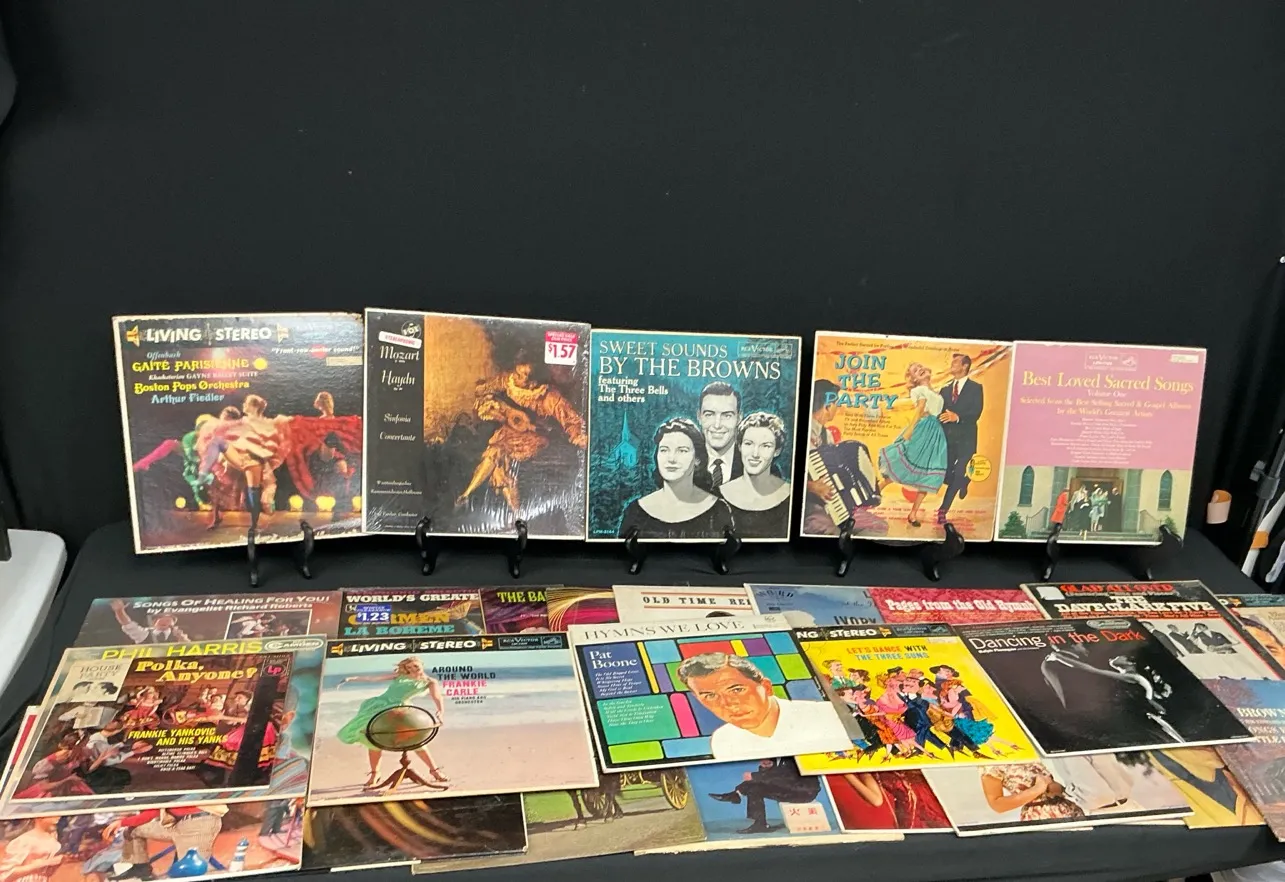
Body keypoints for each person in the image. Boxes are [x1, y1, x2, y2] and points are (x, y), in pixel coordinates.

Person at [455, 357, 587, 514]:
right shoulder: (509, 381)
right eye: (518, 373)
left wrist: (578, 436)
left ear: (535, 379)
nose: (518, 378)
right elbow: (485, 390)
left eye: (525, 376)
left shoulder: (549, 396)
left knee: (501, 459)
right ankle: (467, 495)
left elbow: (571, 420)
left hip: (535, 436)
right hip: (510, 431)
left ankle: (515, 514)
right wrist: (495, 405)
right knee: (495, 454)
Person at [674, 653, 846, 759]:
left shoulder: (827, 716)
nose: (728, 704)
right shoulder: (723, 740)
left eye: (736, 690)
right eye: (710, 696)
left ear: (766, 687)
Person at [336, 656, 448, 789]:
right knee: (371, 736)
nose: (413, 669)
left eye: (415, 666)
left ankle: (434, 771)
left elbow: (437, 697)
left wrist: (440, 711)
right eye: (409, 667)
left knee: (414, 739)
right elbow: (373, 679)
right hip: (378, 705)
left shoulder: (429, 682)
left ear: (422, 665)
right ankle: (375, 774)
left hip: (398, 709)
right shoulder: (399, 676)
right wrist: (352, 678)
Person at [617, 418, 735, 540]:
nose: (671, 459)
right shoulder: (635, 512)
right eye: (664, 450)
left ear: (697, 459)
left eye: (682, 450)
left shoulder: (718, 510)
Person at [877, 362, 948, 528]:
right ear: (914, 379)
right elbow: (920, 410)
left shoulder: (937, 391)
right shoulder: (918, 390)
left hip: (936, 435)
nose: (920, 369)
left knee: (928, 474)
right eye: (915, 371)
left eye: (920, 367)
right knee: (902, 466)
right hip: (923, 430)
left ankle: (913, 513)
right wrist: (909, 431)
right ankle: (874, 492)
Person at [717, 412, 792, 537]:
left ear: (777, 451)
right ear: (740, 446)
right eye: (748, 444)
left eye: (765, 446)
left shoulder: (791, 496)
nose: (755, 454)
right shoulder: (718, 496)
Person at [104, 805, 228, 879]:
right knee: (134, 830)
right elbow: (152, 811)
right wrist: (124, 823)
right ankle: (141, 867)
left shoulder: (179, 778)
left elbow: (151, 812)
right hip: (175, 824)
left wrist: (121, 822)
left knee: (190, 873)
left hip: (198, 823)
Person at [706, 758, 823, 834]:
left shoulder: (791, 759)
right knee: (755, 788)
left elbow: (786, 778)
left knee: (756, 784)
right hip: (790, 789)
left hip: (803, 793)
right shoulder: (775, 758)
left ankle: (735, 795)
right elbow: (770, 778)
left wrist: (755, 776)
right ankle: (759, 824)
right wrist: (765, 766)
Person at [937, 353, 984, 522]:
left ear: (965, 366)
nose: (952, 364)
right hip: (947, 441)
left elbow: (976, 412)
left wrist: (957, 417)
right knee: (944, 475)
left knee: (957, 473)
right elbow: (939, 414)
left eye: (956, 362)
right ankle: (963, 482)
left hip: (966, 440)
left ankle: (942, 511)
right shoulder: (944, 389)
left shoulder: (976, 388)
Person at [980, 763, 1086, 822]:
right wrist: (1037, 789)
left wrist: (1055, 787)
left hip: (1068, 809)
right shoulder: (991, 763)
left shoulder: (1028, 746)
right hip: (1040, 817)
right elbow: (997, 804)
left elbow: (1050, 782)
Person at [803, 379, 843, 536]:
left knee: (877, 525)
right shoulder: (798, 431)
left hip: (830, 505)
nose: (838, 408)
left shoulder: (827, 435)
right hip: (806, 506)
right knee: (834, 532)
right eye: (836, 404)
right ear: (827, 406)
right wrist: (810, 486)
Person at [697, 382, 743, 490]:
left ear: (739, 418)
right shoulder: (685, 461)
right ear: (699, 417)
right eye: (709, 415)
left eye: (727, 415)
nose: (717, 425)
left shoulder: (753, 463)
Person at [0, 815, 63, 882]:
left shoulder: (54, 841)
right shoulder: (25, 840)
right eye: (52, 815)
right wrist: (44, 863)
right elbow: (7, 873)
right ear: (39, 818)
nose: (58, 818)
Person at [110, 599, 190, 644]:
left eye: (168, 620)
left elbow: (190, 649)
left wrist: (181, 637)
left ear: (173, 624)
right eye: (161, 620)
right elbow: (128, 624)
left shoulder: (179, 636)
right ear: (154, 623)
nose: (165, 621)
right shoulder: (144, 634)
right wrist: (119, 611)